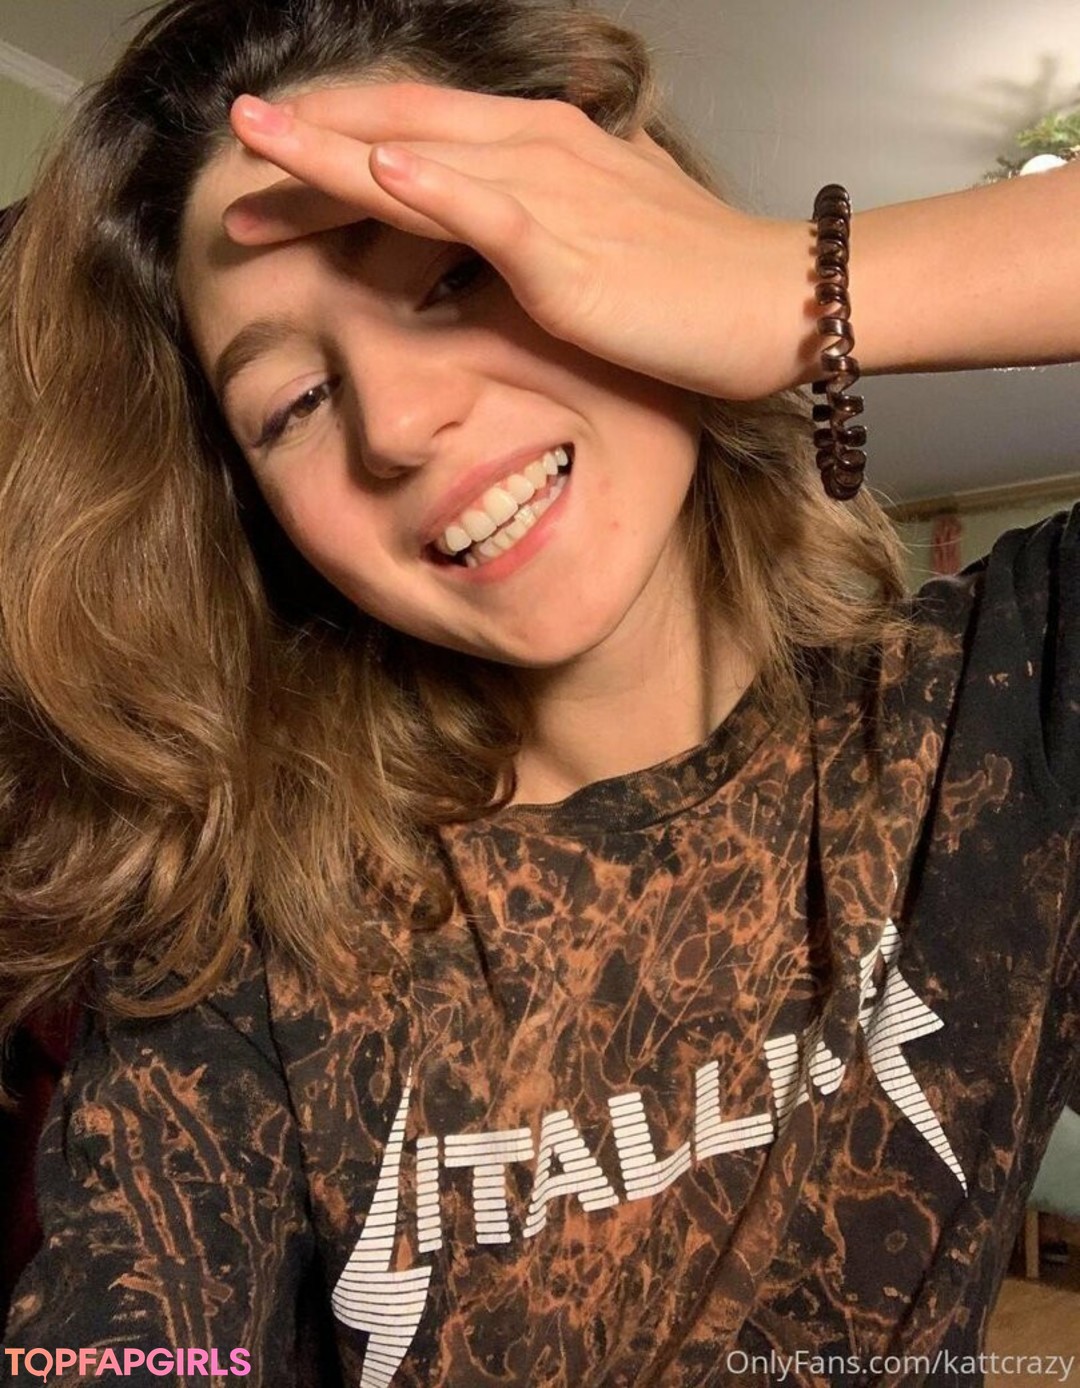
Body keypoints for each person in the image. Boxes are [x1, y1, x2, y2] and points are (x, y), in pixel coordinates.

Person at [0, 0, 1078, 1383]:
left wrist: (788, 286)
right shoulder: (252, 938)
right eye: (293, 407)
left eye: (454, 271)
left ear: (631, 221)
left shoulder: (999, 710)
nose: (397, 424)